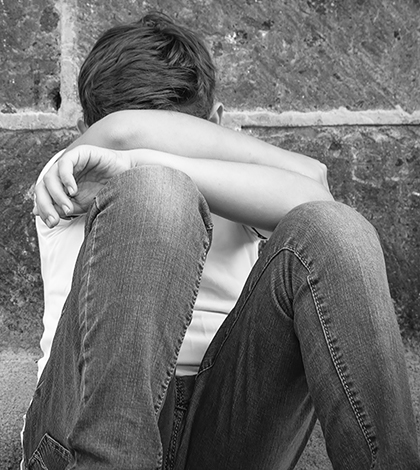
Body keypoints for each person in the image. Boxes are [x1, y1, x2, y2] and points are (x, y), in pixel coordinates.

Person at [23, 12, 419, 470]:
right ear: (83, 137)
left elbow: (316, 189)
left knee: (336, 228)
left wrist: (138, 162)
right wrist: (148, 170)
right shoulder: (72, 173)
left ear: (216, 124)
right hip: (79, 425)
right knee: (157, 193)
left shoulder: (237, 183)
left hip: (226, 428)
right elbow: (119, 132)